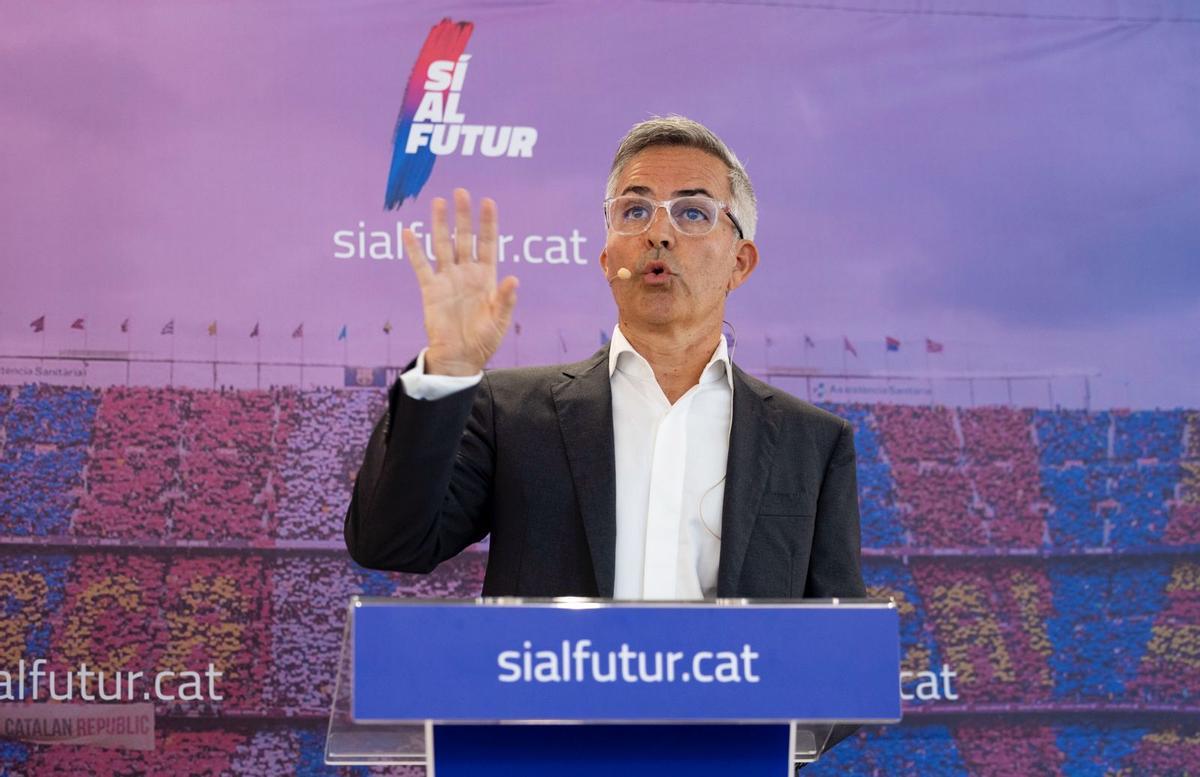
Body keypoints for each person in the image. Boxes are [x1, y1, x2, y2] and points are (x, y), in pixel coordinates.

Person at [345, 116, 865, 604]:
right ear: (607, 257)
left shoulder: (813, 443)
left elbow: (835, 643)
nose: (658, 234)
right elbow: (389, 543)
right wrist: (447, 371)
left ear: (740, 261)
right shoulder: (509, 413)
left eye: (692, 212)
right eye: (635, 211)